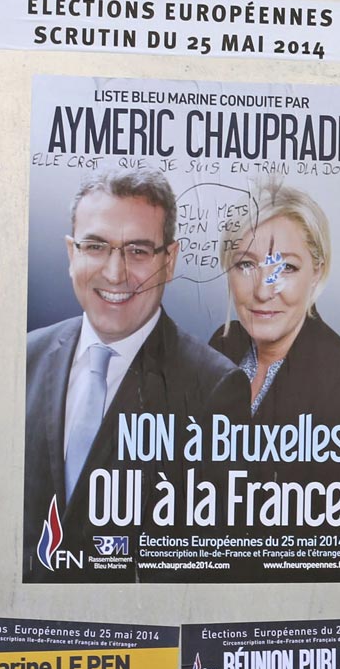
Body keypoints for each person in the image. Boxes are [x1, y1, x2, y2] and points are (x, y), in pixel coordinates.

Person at [23, 169, 246, 574]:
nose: (115, 273)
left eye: (138, 251)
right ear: (71, 253)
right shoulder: (25, 358)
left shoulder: (215, 389)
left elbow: (205, 565)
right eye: (95, 246)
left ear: (170, 260)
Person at [211, 179, 340, 431]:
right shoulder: (223, 346)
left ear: (316, 273)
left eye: (286, 268)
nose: (262, 291)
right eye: (246, 265)